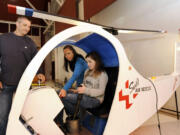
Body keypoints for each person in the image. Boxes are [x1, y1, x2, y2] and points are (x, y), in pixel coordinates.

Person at [0, 16, 45, 135]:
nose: (27, 28)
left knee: (27, 114)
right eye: (25, 25)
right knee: (3, 116)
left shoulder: (29, 42)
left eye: (29, 26)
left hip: (24, 85)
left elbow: (36, 60)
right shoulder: (3, 39)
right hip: (6, 84)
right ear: (17, 24)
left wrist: (40, 72)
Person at [61, 51, 108, 123]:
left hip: (95, 100)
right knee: (60, 93)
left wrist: (85, 90)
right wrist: (77, 90)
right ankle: (74, 114)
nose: (88, 64)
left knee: (66, 96)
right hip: (85, 95)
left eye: (90, 62)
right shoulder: (87, 71)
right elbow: (84, 84)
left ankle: (76, 114)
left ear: (96, 61)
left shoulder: (102, 74)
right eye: (87, 62)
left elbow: (101, 91)